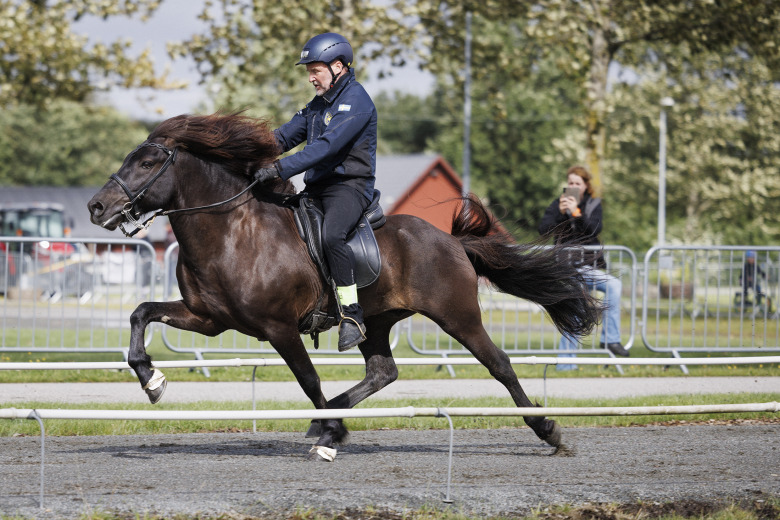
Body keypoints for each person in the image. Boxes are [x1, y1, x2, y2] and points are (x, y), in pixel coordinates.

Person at [253, 32, 377, 352]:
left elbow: (326, 148)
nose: (311, 78)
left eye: (315, 70)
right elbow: (282, 137)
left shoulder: (357, 102)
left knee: (332, 235)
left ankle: (352, 315)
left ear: (338, 67)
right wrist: (245, 154)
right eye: (308, 71)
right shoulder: (318, 104)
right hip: (317, 188)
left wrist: (279, 169)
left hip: (349, 188)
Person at [538, 165, 629, 369]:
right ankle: (565, 365)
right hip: (565, 267)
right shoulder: (557, 205)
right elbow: (543, 230)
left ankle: (609, 338)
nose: (573, 187)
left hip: (587, 265)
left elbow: (594, 229)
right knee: (576, 311)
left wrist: (576, 213)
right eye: (570, 183)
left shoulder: (592, 204)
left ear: (586, 186)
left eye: (577, 183)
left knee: (612, 286)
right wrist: (562, 214)